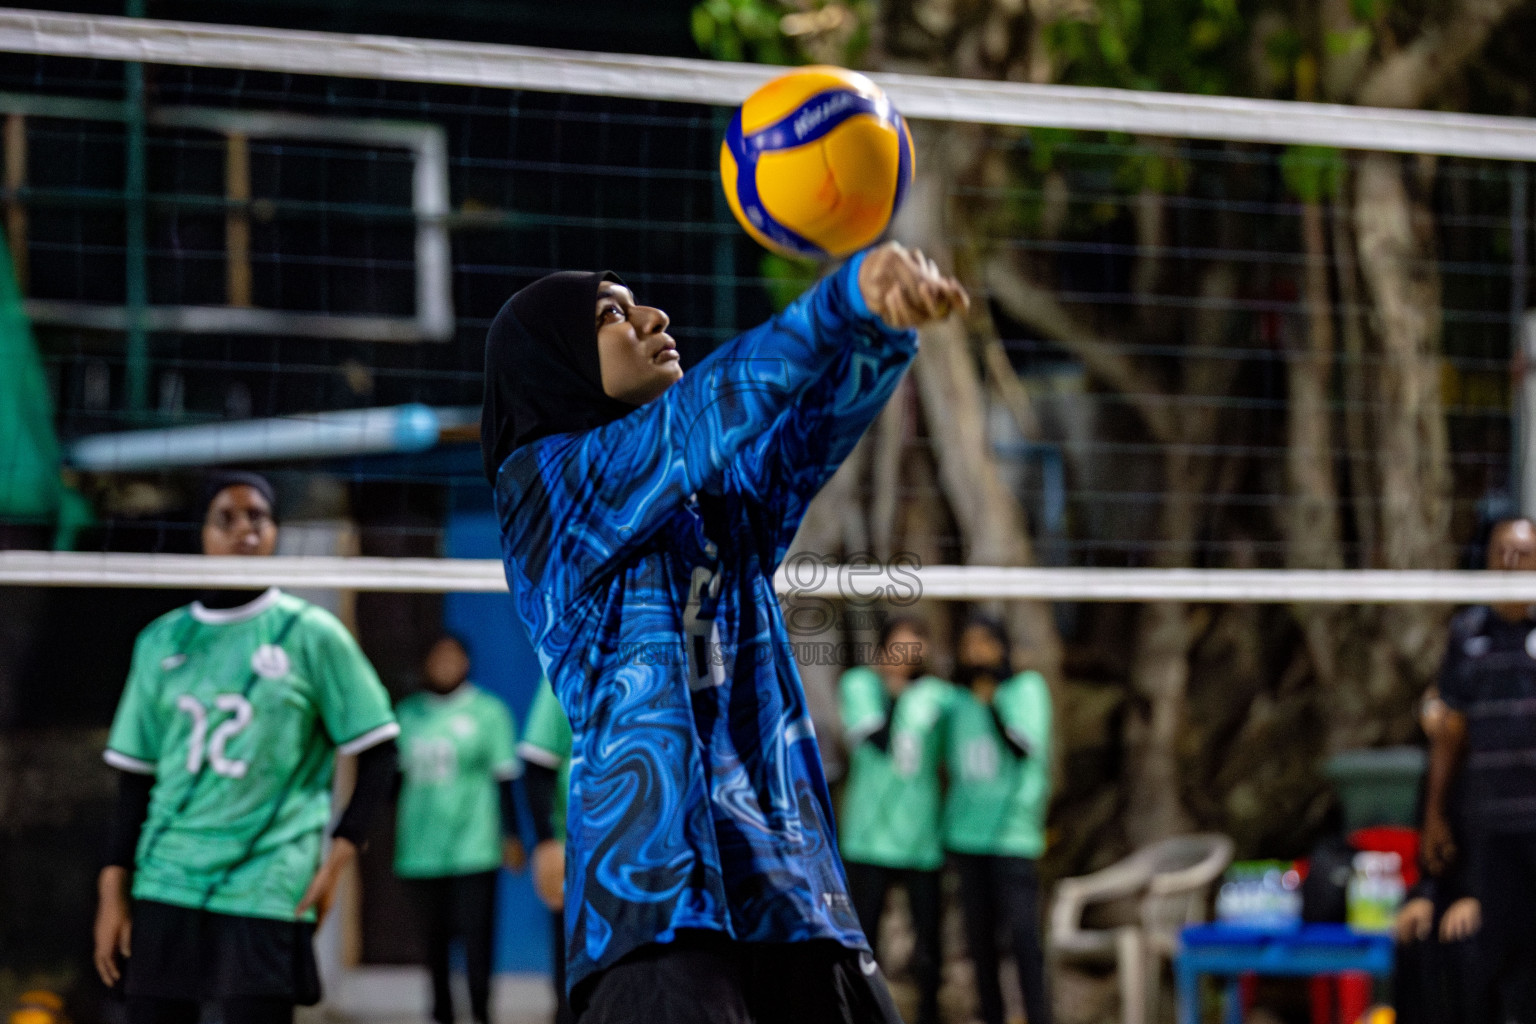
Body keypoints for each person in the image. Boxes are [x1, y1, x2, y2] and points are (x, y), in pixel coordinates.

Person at [482, 240, 967, 1024]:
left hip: (784, 878)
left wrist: (882, 329)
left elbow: (802, 439)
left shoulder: (708, 500)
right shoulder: (546, 491)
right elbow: (702, 416)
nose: (652, 316)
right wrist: (843, 296)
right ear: (557, 361)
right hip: (653, 896)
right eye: (611, 313)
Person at [92, 472, 399, 1024]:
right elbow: (134, 779)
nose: (244, 530)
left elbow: (380, 751)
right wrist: (113, 892)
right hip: (168, 876)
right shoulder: (161, 640)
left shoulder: (311, 633)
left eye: (257, 516)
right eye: (226, 518)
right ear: (202, 533)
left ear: (276, 530)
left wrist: (338, 858)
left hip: (267, 880)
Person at [1425, 517, 1536, 1024]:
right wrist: (1434, 812)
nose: (1511, 563)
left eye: (1523, 553)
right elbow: (1451, 731)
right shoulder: (1467, 632)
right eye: (1501, 553)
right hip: (1490, 828)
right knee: (1486, 958)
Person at [394, 634, 527, 1024]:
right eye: (438, 658)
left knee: (477, 938)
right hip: (420, 846)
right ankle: (441, 1013)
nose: (445, 665)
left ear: (466, 662)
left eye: (454, 658)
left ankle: (482, 1013)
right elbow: (390, 783)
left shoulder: (488, 712)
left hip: (474, 845)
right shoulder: (408, 714)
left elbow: (505, 779)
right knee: (432, 942)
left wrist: (512, 835)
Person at [837, 616, 951, 1024]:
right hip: (867, 835)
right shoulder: (858, 686)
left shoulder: (938, 696)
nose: (904, 657)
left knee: (929, 943)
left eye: (913, 648)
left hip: (921, 836)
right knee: (861, 939)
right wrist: (896, 696)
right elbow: (877, 738)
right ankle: (858, 1013)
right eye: (897, 646)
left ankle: (929, 1015)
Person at [943, 614, 1052, 1024]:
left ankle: (1039, 1015)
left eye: (985, 642)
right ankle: (991, 1015)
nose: (976, 652)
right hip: (966, 836)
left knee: (1024, 937)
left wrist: (993, 705)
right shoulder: (955, 700)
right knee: (980, 941)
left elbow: (1024, 747)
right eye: (969, 643)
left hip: (1013, 835)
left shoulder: (1025, 690)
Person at [1393, 685, 1487, 1024]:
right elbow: (1434, 856)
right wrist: (1424, 896)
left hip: (1502, 894)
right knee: (1413, 934)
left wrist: (1480, 900)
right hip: (1453, 894)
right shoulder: (1437, 776)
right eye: (1430, 705)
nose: (1435, 715)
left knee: (1468, 940)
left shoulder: (1497, 772)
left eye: (1443, 705)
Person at [519, 675, 575, 1024]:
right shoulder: (575, 659)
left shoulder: (699, 651)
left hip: (675, 853)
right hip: (586, 851)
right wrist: (546, 845)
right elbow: (538, 763)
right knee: (574, 966)